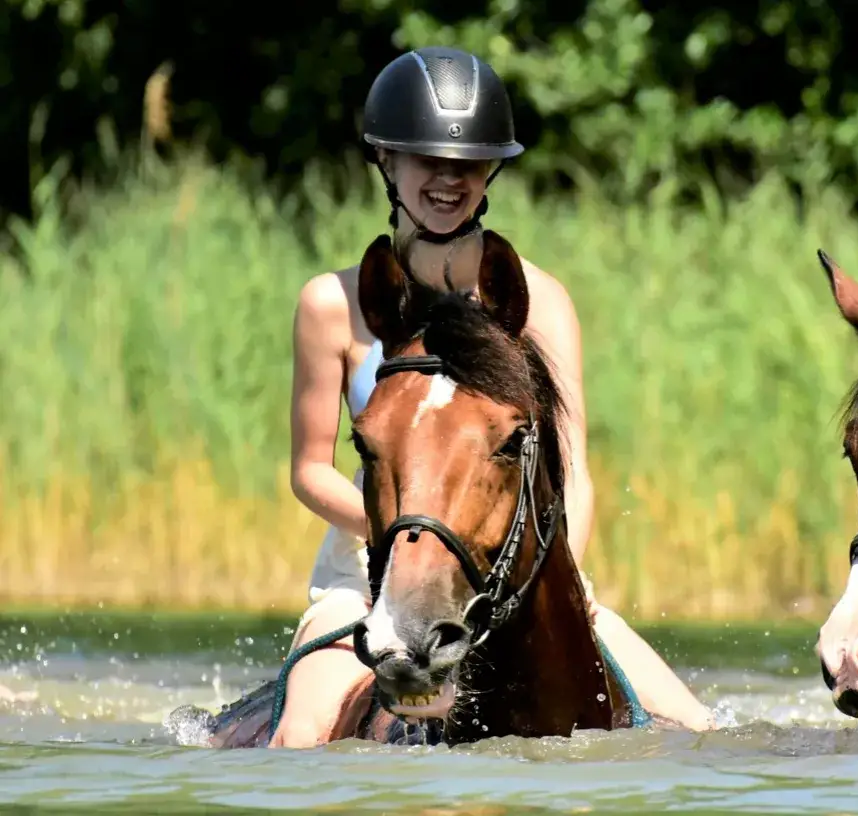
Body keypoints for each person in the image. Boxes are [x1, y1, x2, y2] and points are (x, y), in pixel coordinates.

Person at [270, 46, 716, 748]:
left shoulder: (540, 303)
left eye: (470, 163)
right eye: (428, 160)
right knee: (300, 737)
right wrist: (417, 538)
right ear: (387, 160)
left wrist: (557, 580)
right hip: (364, 577)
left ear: (491, 173)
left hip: (518, 572)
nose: (449, 180)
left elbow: (574, 470)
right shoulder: (331, 304)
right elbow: (308, 471)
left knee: (698, 734)